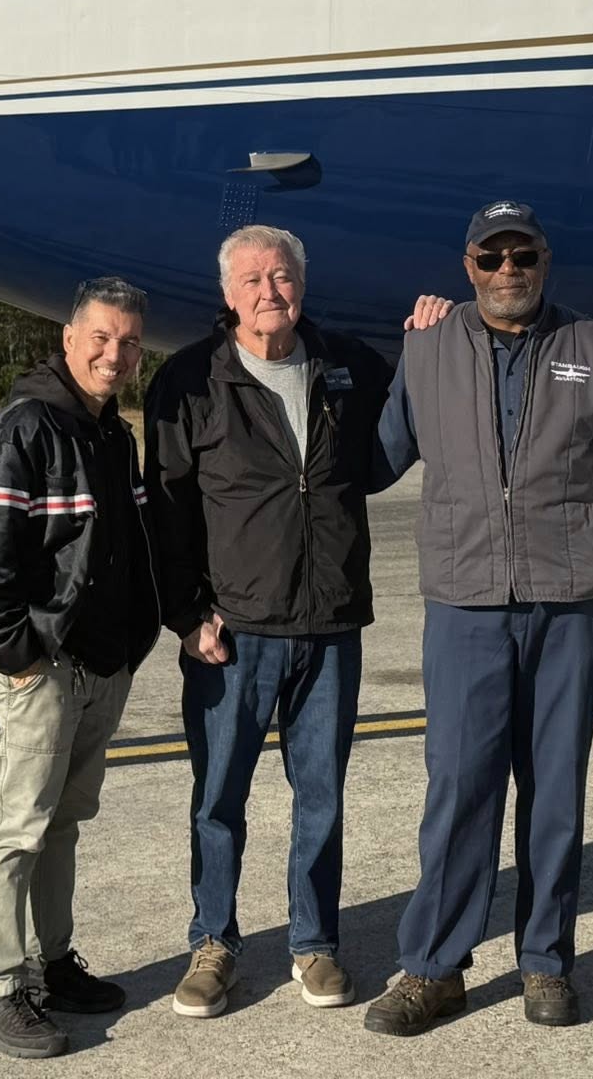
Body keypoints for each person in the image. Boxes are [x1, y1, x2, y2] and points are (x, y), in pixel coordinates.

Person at [363, 200, 593, 1036]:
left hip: (570, 600)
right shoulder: (426, 349)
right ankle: (433, 967)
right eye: (491, 257)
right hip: (466, 600)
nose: (508, 270)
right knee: (459, 786)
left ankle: (546, 960)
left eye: (523, 255)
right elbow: (374, 459)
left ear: (545, 260)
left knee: (555, 789)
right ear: (468, 265)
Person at [144, 224, 394, 1018]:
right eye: (251, 280)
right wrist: (186, 617)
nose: (268, 292)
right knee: (219, 800)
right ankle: (214, 943)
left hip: (329, 626)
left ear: (302, 284)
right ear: (227, 294)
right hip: (234, 634)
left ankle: (315, 944)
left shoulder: (348, 365)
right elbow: (166, 512)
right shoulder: (191, 379)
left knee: (321, 798)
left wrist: (430, 341)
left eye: (281, 276)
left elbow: (398, 439)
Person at [0, 276, 163, 1061]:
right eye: (100, 337)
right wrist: (21, 659)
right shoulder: (20, 432)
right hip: (40, 667)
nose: (114, 354)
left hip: (101, 664)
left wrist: (131, 642)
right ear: (68, 339)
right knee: (16, 827)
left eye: (129, 342)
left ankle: (53, 962)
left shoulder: (112, 436)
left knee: (62, 822)